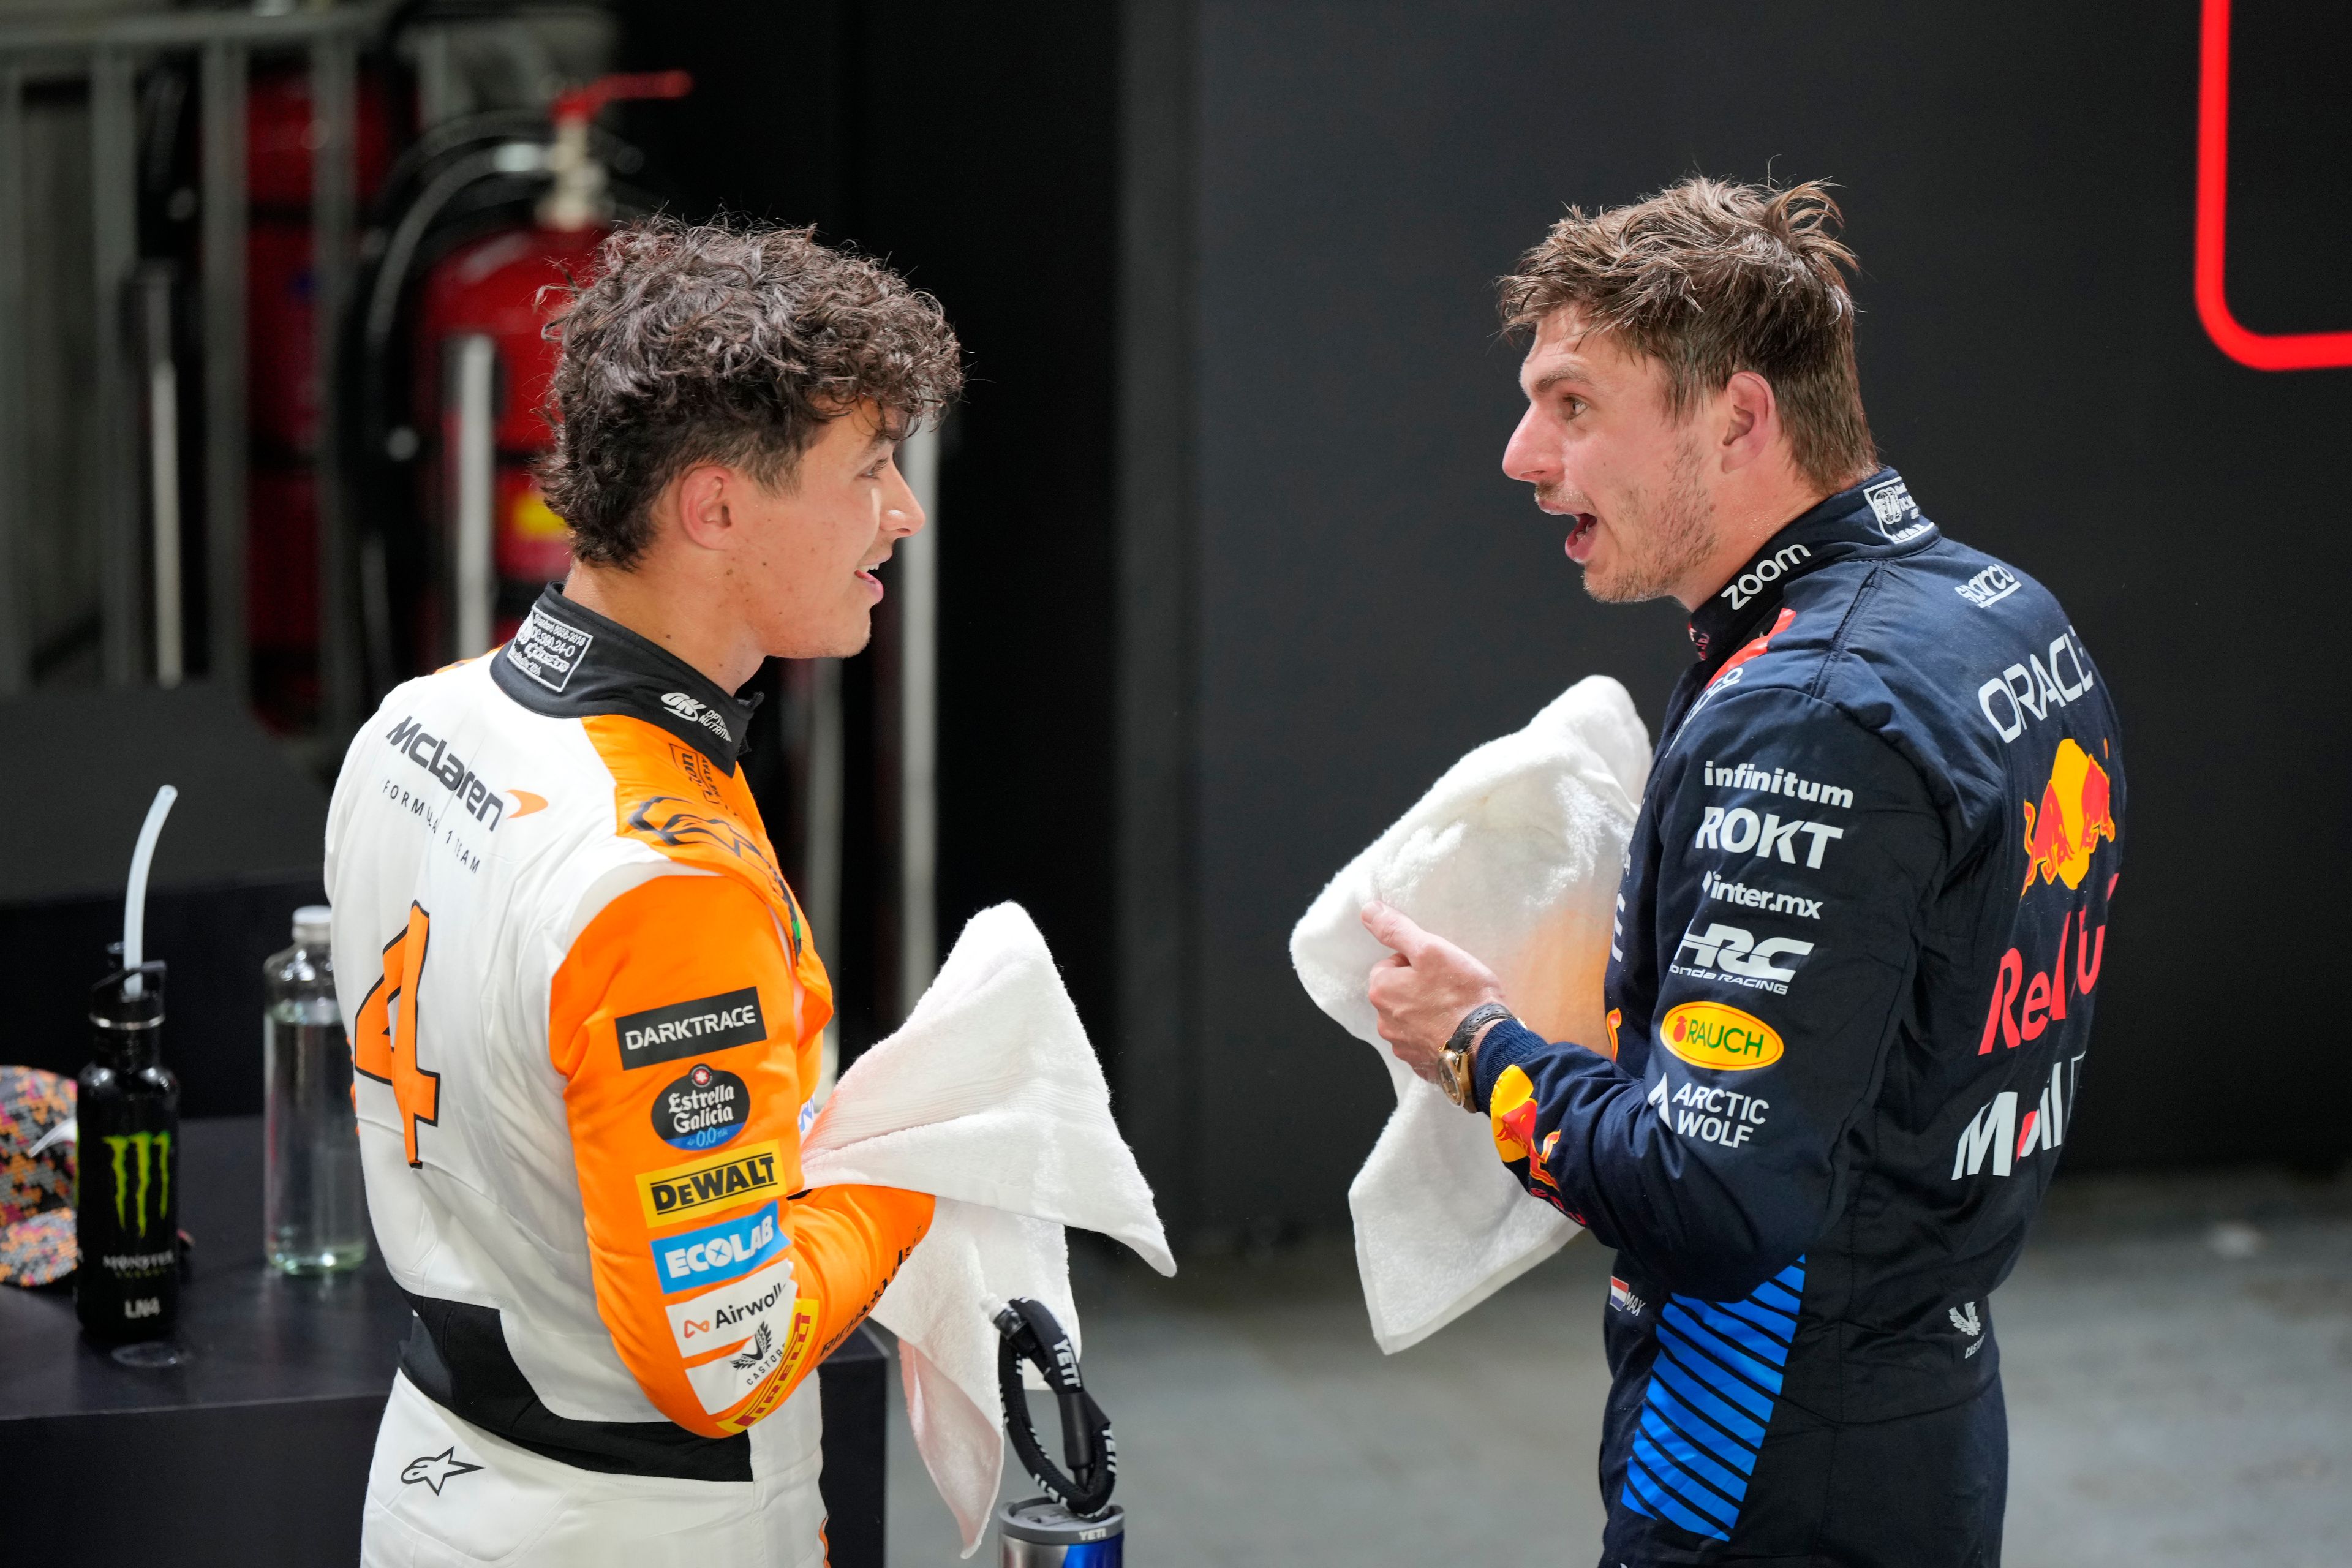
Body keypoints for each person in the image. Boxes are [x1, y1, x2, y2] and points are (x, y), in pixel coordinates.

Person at [1360, 178, 2123, 1567]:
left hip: (1762, 1443)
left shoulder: (1814, 704)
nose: (1524, 454)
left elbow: (1712, 1199)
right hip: (1933, 1399)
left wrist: (1477, 1045)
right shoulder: (2004, 613)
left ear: (1742, 418)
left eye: (1575, 405)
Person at [325, 219, 961, 1567]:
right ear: (716, 508)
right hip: (643, 1523)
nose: (900, 512)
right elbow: (726, 1354)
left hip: (433, 1480)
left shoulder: (408, 727)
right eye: (868, 471)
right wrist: (930, 1159)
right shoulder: (657, 878)